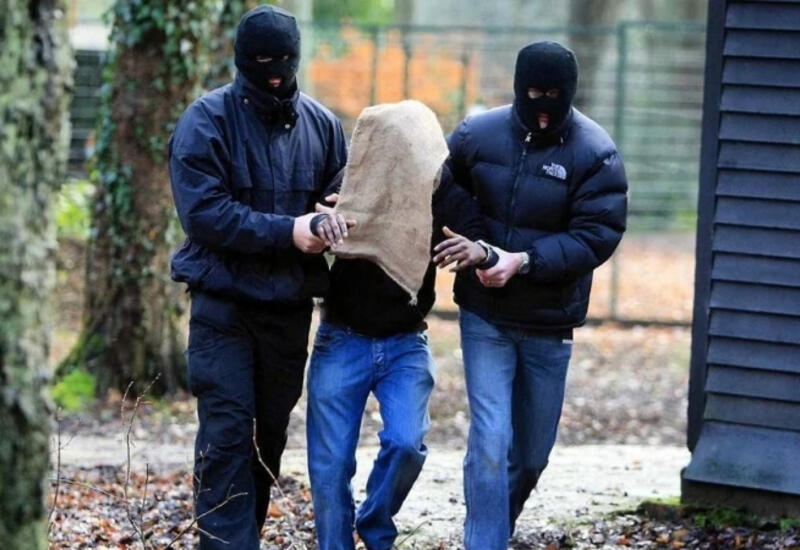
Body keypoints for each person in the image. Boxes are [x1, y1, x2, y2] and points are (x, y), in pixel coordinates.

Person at [167, 5, 349, 549]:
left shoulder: (322, 125)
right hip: (222, 307)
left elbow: (341, 196)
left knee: (268, 438)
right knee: (226, 435)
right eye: (263, 61)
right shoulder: (206, 120)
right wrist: (290, 231)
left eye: (285, 59)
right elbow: (204, 214)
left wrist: (335, 216)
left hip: (288, 310)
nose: (275, 72)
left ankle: (243, 536)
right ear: (242, 60)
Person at [443, 41, 628, 549]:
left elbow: (597, 234)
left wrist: (521, 261)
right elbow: (443, 193)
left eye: (554, 97)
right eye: (533, 95)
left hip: (550, 321)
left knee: (530, 457)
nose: (543, 108)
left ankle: (494, 527)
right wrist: (480, 251)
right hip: (485, 316)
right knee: (490, 440)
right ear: (517, 88)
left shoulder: (596, 153)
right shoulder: (475, 136)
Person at [305, 110, 490, 549]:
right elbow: (314, 220)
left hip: (406, 341)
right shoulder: (351, 182)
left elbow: (475, 232)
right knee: (330, 466)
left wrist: (476, 249)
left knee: (407, 443)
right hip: (341, 338)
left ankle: (375, 522)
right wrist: (322, 223)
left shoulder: (438, 187)